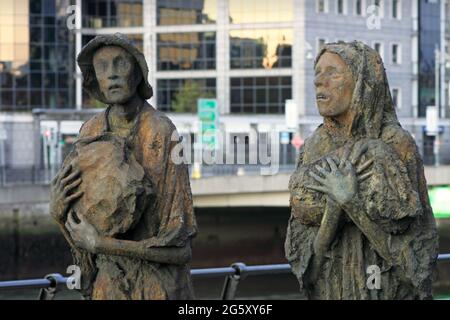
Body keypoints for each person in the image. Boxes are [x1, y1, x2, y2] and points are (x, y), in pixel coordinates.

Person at [285, 41, 438, 299]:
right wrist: (333, 209)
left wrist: (352, 204)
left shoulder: (396, 144)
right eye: (317, 72)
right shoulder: (314, 147)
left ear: (362, 82)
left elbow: (413, 266)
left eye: (333, 72)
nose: (319, 82)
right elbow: (308, 272)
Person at [49, 33, 197, 300]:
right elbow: (82, 237)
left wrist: (102, 244)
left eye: (121, 64)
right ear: (95, 78)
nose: (112, 75)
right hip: (108, 285)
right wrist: (59, 212)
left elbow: (180, 250)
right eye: (102, 67)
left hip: (155, 286)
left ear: (138, 72)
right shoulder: (90, 131)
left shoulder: (161, 133)